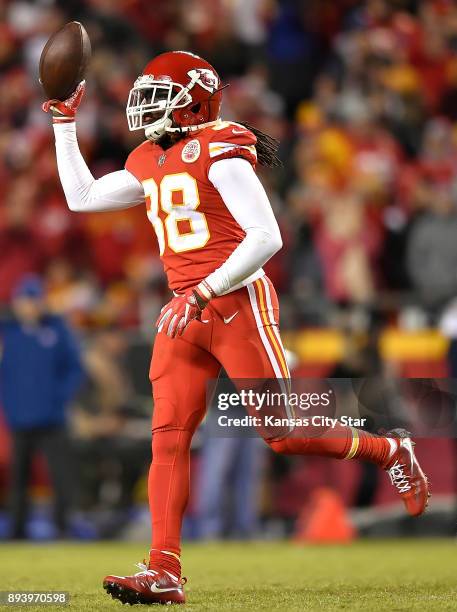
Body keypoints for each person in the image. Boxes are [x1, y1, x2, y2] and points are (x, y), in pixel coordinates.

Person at [42, 51, 429, 605]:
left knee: (284, 434)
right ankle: (164, 568)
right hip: (185, 311)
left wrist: (204, 290)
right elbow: (81, 199)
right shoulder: (150, 157)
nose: (144, 102)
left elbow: (266, 237)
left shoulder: (220, 149)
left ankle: (391, 451)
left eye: (159, 91)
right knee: (168, 441)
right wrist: (63, 122)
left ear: (194, 100)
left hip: (234, 304)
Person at [0, 275, 84, 538]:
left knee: (60, 475)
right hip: (19, 417)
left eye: (34, 300)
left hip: (52, 417)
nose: (30, 306)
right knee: (19, 479)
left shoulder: (57, 329)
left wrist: (60, 397)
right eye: (25, 301)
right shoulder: (8, 333)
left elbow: (74, 368)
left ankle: (63, 526)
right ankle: (17, 530)